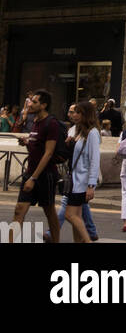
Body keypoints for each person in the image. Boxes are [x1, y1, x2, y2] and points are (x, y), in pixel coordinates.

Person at [10, 90, 62, 243]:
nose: (30, 104)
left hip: (45, 175)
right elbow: (35, 150)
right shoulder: (35, 122)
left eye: (34, 102)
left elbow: (48, 153)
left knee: (49, 211)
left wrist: (33, 178)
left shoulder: (51, 123)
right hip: (30, 173)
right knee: (19, 210)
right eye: (30, 101)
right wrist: (28, 143)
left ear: (44, 105)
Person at [58, 103, 99, 242]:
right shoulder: (77, 131)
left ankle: (87, 240)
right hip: (74, 179)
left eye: (78, 112)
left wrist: (91, 185)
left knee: (70, 215)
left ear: (85, 115)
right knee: (77, 215)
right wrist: (67, 144)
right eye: (74, 112)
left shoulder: (92, 133)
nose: (74, 115)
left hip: (82, 181)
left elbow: (94, 160)